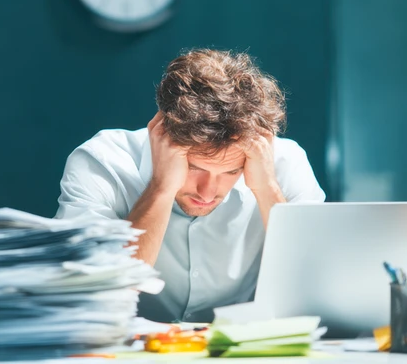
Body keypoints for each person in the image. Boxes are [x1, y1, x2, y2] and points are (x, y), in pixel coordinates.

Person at [55, 49, 325, 323]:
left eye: (232, 171)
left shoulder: (284, 163)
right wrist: (161, 187)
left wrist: (267, 188)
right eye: (195, 168)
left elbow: (317, 280)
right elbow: (93, 290)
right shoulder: (102, 162)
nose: (207, 192)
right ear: (163, 133)